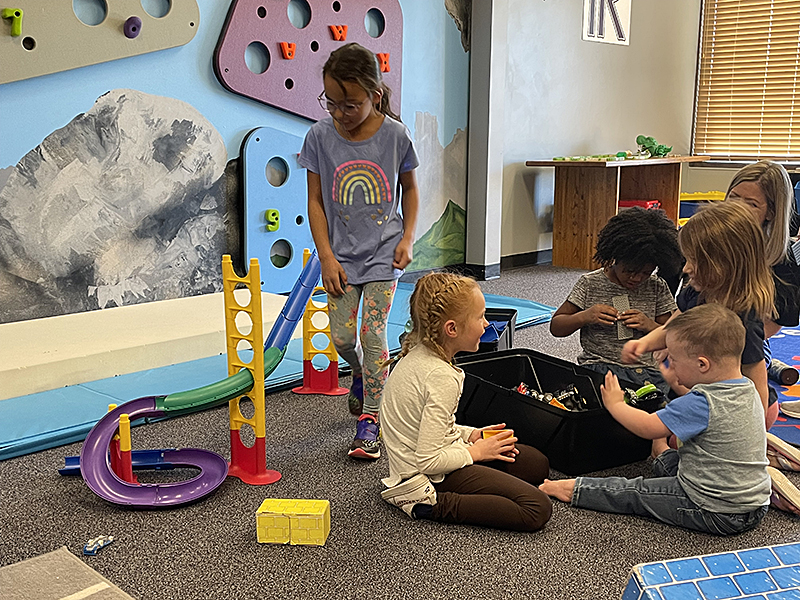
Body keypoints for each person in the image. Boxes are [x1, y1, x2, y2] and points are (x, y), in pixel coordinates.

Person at [540, 304, 774, 534]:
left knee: (635, 492)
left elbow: (647, 427)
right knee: (670, 459)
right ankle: (660, 453)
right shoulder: (747, 388)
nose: (671, 365)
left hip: (713, 510)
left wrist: (616, 405)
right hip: (755, 503)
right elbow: (706, 411)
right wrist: (675, 381)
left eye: (674, 360)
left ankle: (574, 489)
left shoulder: (701, 402)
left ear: (702, 364)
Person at [299, 43, 420, 459]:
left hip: (385, 253)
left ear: (376, 95)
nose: (338, 113)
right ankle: (360, 375)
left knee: (372, 334)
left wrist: (406, 239)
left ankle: (371, 418)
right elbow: (315, 201)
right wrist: (327, 257)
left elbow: (411, 189)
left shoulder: (396, 135)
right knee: (342, 337)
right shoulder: (318, 136)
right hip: (340, 258)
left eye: (350, 105)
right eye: (331, 103)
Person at [378, 272, 552, 531]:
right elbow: (427, 460)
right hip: (426, 477)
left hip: (440, 454)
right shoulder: (440, 376)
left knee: (536, 464)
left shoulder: (421, 354)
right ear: (452, 328)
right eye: (480, 317)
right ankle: (428, 505)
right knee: (537, 508)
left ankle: (486, 480)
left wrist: (472, 435)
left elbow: (428, 426)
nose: (485, 324)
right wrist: (476, 453)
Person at [622, 201, 776, 428]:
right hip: (705, 392)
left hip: (742, 409)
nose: (685, 269)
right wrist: (644, 344)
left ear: (722, 264)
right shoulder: (695, 293)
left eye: (694, 261)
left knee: (677, 443)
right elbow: (672, 328)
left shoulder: (744, 320)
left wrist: (754, 435)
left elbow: (757, 384)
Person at [549, 207, 682, 396]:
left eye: (645, 273)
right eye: (629, 270)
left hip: (647, 373)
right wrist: (585, 316)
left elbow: (672, 335)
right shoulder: (590, 283)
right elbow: (556, 326)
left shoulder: (656, 286)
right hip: (600, 368)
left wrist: (649, 325)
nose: (636, 278)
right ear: (615, 258)